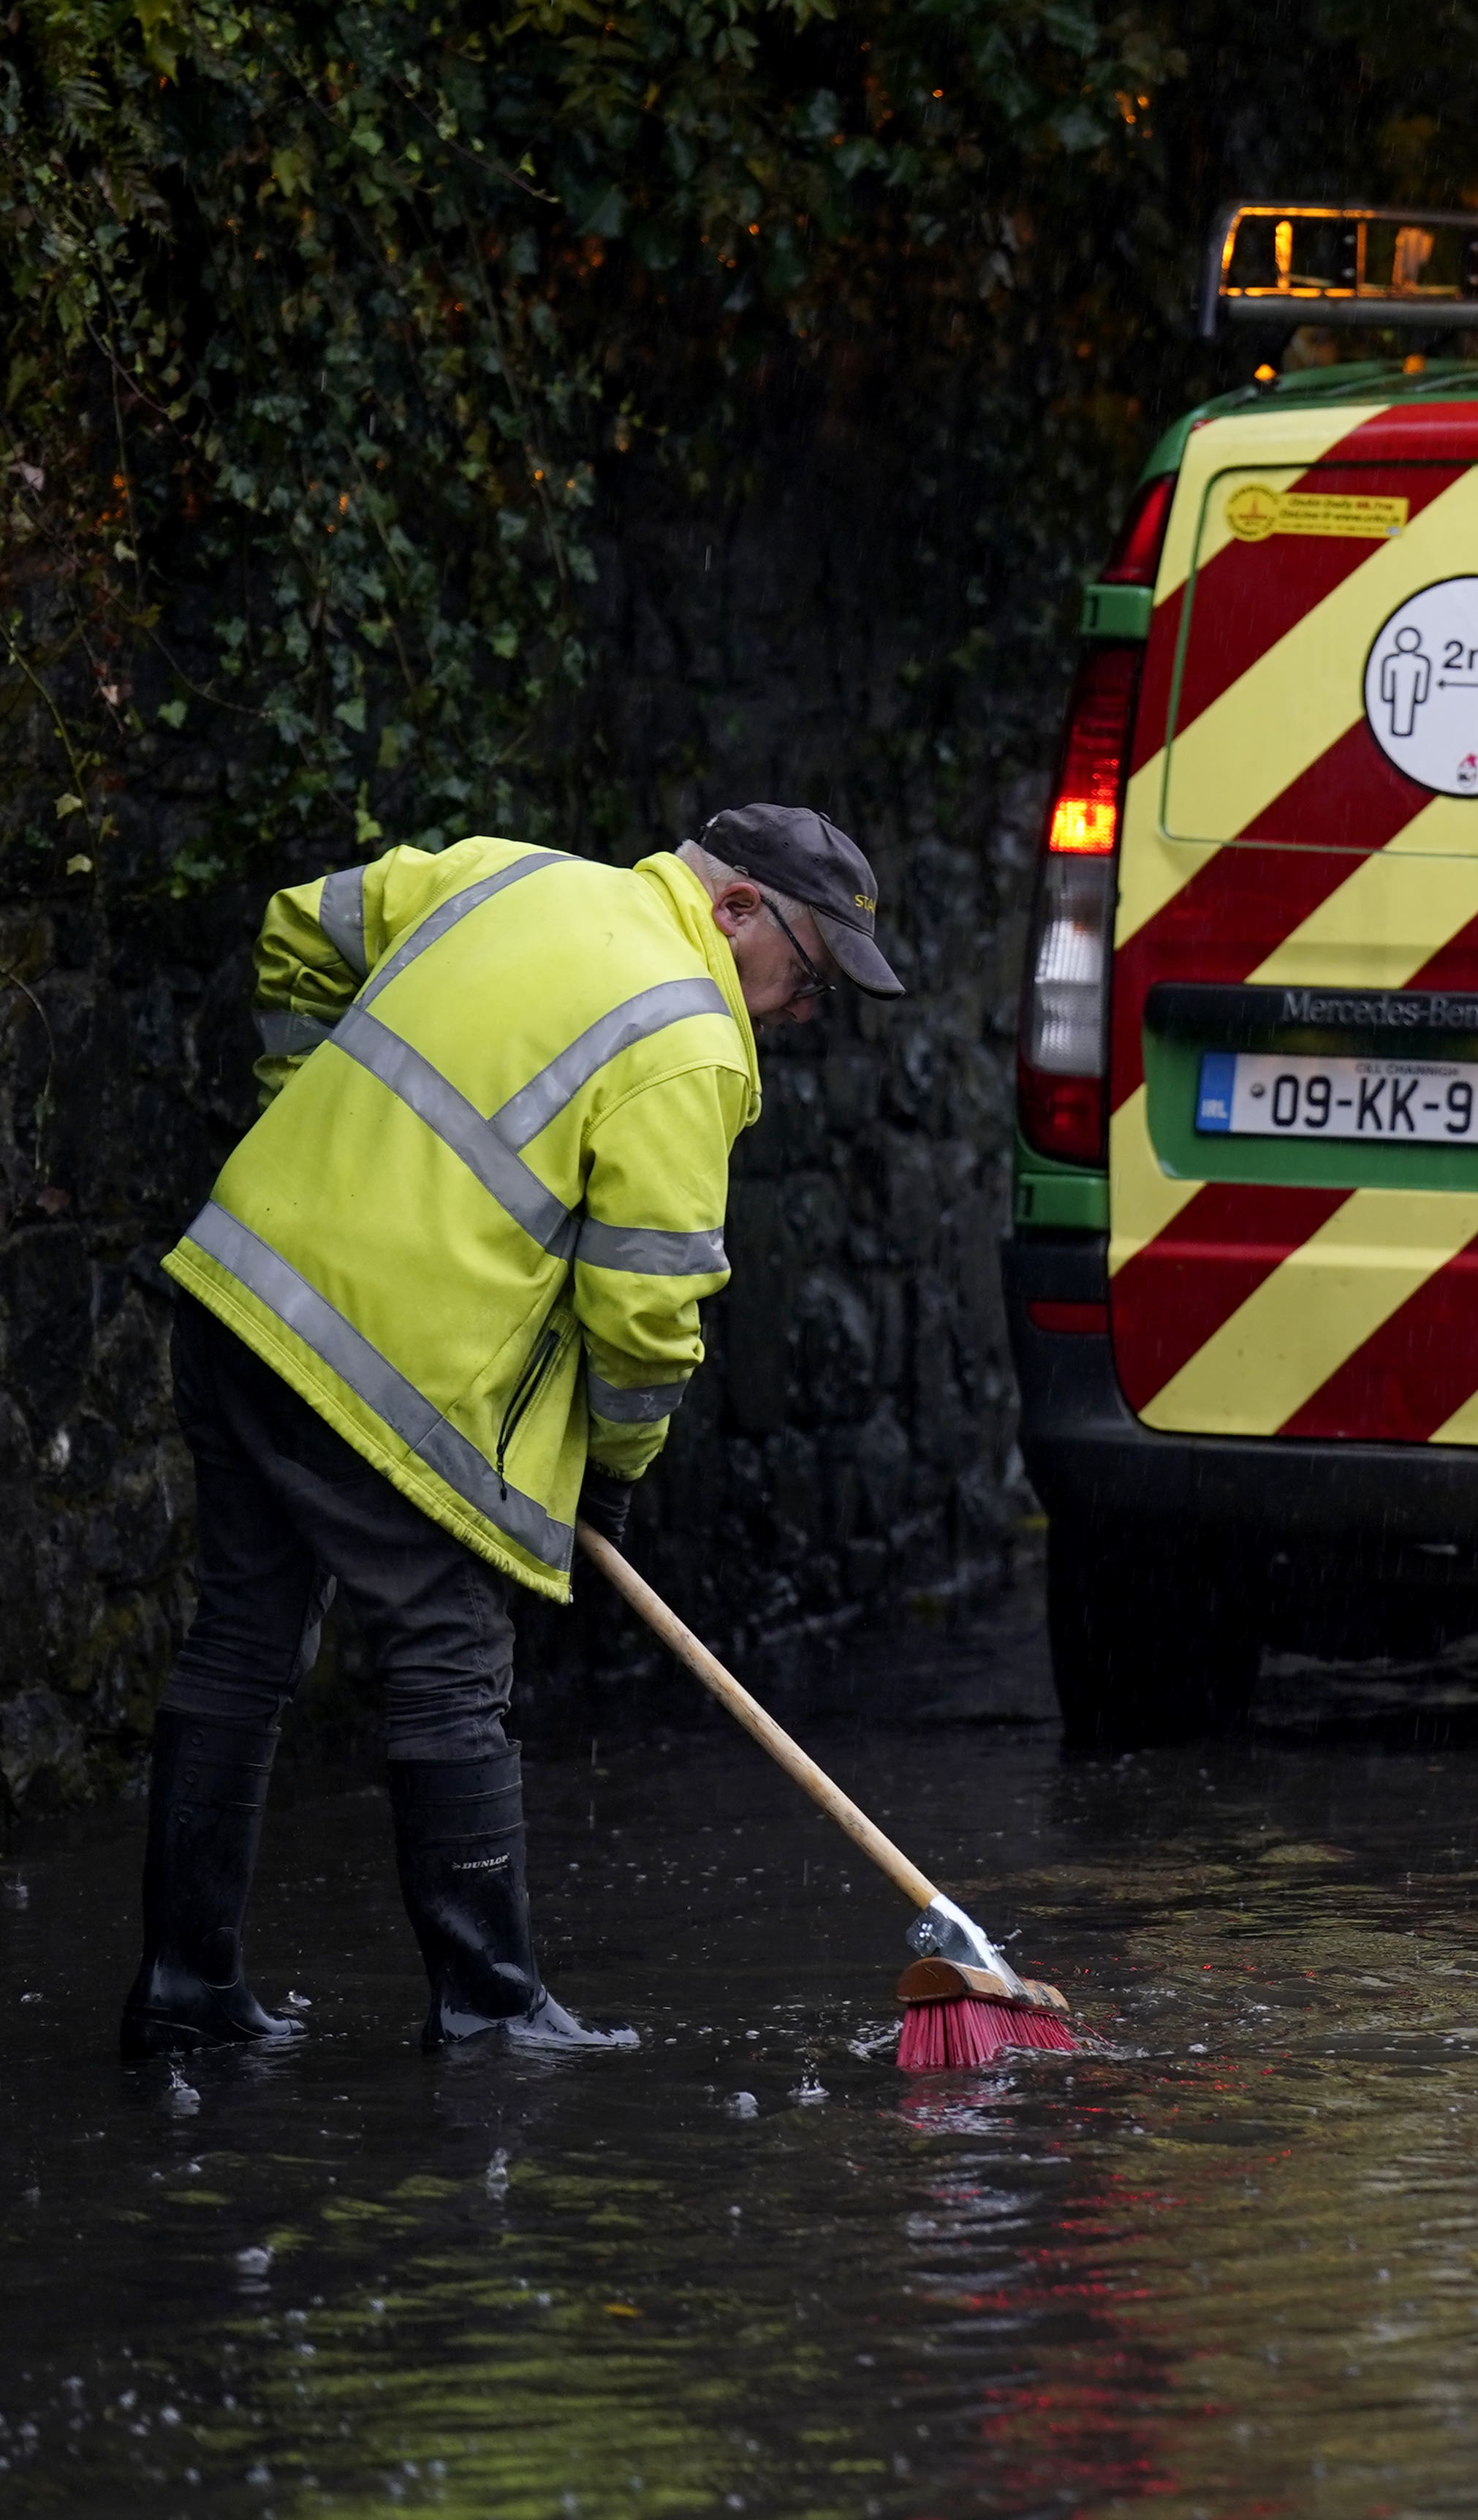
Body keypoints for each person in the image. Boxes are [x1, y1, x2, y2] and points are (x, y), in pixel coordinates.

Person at [121, 805, 905, 2058]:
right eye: (806, 977)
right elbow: (646, 1315)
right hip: (380, 1367)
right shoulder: (691, 1041)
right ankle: (490, 2014)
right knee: (449, 1656)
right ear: (737, 909)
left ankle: (184, 1989)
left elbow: (294, 929)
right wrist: (616, 1473)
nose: (799, 1011)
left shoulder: (507, 874)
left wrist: (294, 1111)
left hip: (239, 1291)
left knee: (244, 1640)